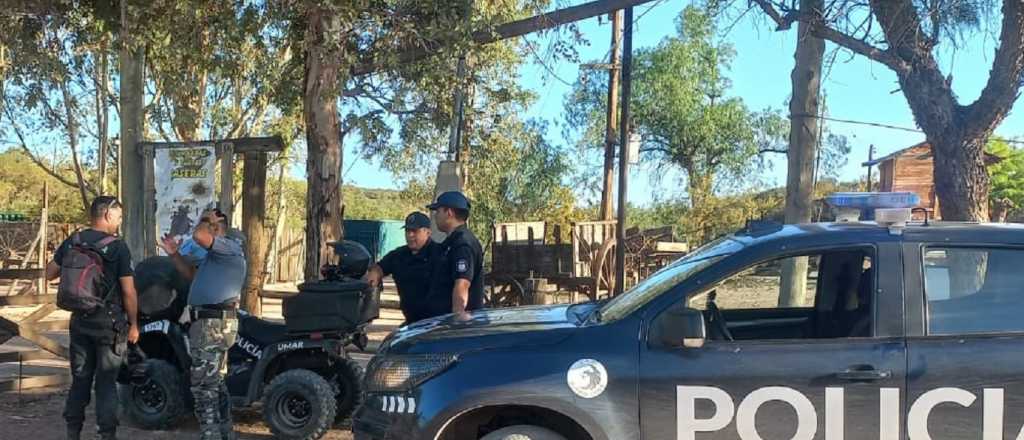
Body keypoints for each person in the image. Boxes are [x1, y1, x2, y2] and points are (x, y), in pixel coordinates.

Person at [37, 196, 139, 440]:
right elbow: (128, 290)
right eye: (119, 217)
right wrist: (134, 323)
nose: (119, 221)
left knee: (80, 379)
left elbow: (49, 273)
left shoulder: (75, 240)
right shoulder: (117, 247)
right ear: (107, 215)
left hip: (80, 322)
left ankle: (73, 432)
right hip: (109, 325)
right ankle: (107, 435)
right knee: (105, 383)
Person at [158, 209, 246, 440]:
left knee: (203, 386)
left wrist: (207, 217)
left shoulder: (228, 247)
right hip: (210, 324)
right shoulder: (215, 257)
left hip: (212, 324)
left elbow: (198, 235)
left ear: (218, 229)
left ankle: (210, 434)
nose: (207, 228)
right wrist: (175, 254)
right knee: (214, 381)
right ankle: (224, 432)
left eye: (212, 226)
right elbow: (191, 274)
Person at [364, 212, 440, 324]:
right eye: (407, 231)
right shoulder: (399, 255)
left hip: (435, 323)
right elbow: (380, 267)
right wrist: (375, 273)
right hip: (411, 321)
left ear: (427, 232)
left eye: (415, 231)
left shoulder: (439, 255)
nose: (410, 235)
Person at [425, 191, 485, 319]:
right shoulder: (451, 242)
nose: (435, 216)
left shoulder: (463, 244)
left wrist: (457, 317)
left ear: (449, 213)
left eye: (437, 211)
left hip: (457, 327)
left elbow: (462, 283)